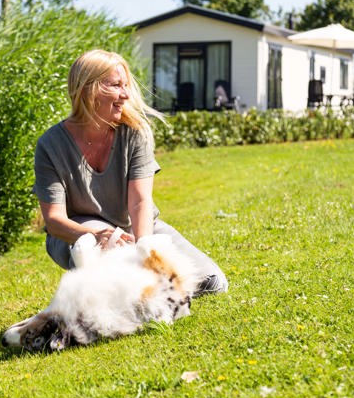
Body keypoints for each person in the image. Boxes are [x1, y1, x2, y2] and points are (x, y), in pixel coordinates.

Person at [33, 49, 228, 295]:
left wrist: (144, 247)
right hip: (81, 233)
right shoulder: (51, 145)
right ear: (87, 89)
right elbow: (55, 221)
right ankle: (110, 290)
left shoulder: (135, 133)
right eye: (116, 85)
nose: (125, 95)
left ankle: (138, 288)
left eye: (126, 85)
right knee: (104, 256)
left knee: (212, 282)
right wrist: (97, 234)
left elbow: (140, 201)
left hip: (136, 229)